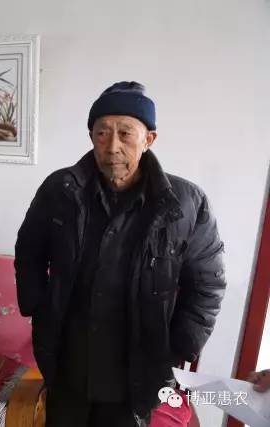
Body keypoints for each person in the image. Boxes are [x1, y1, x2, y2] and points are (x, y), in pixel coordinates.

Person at [15, 81, 227, 426]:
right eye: (102, 133)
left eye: (125, 133)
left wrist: (176, 348)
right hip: (67, 361)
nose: (112, 146)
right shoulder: (61, 189)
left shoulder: (186, 203)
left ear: (149, 139)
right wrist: (38, 308)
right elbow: (29, 251)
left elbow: (207, 285)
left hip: (137, 371)